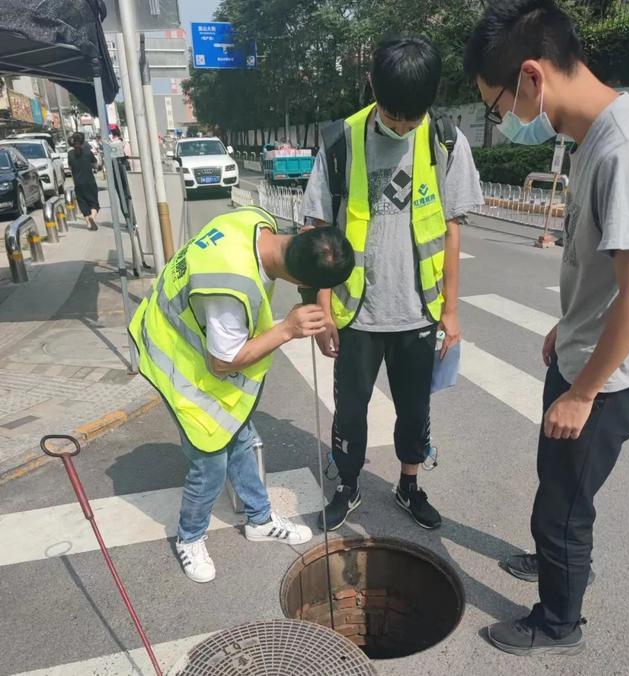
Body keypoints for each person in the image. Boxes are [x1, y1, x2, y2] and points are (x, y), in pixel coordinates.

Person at [465, 0, 629, 656]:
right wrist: (566, 327)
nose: (504, 120)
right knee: (555, 487)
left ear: (532, 78)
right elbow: (598, 263)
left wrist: (584, 390)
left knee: (564, 507)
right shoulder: (594, 134)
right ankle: (556, 560)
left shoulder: (624, 149)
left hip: (607, 376)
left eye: (498, 105)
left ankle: (557, 620)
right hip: (582, 351)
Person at [303, 37, 483, 532]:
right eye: (393, 115)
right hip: (355, 312)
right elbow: (317, 230)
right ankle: (347, 485)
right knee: (351, 411)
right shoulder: (341, 140)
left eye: (411, 118)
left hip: (419, 312)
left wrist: (450, 310)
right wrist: (321, 306)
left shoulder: (445, 140)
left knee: (413, 410)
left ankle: (408, 484)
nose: (401, 126)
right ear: (372, 89)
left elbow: (451, 228)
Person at [129, 206, 355, 583]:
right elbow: (223, 363)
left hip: (193, 340)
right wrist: (287, 329)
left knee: (242, 437)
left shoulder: (255, 221)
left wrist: (318, 312)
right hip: (178, 362)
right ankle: (190, 536)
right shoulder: (229, 289)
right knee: (210, 460)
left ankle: (259, 519)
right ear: (299, 275)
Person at [68, 132, 99, 230]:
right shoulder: (87, 151)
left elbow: (70, 167)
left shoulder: (70, 154)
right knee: (94, 202)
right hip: (89, 181)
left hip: (78, 183)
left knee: (83, 203)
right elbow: (95, 164)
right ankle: (92, 217)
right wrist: (94, 167)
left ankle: (88, 224)